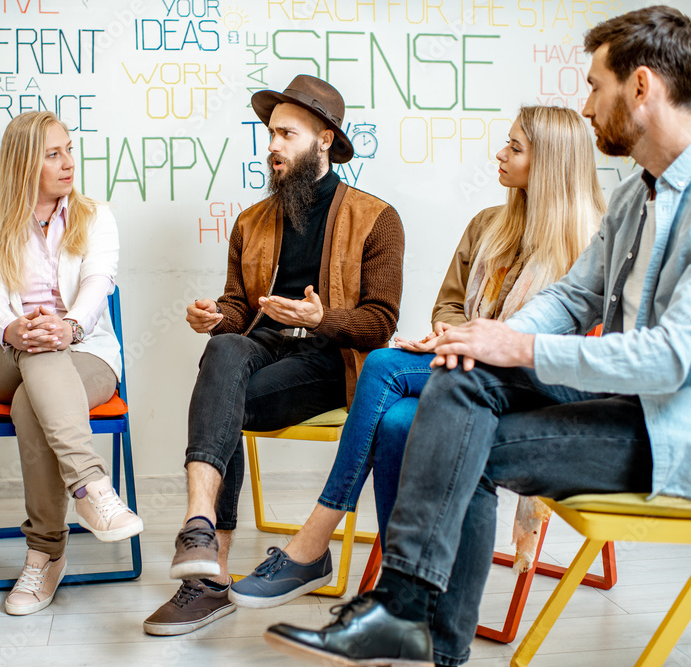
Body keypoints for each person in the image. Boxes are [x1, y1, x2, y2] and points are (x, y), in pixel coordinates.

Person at [264, 6, 691, 667]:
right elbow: (574, 296)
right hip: (623, 408)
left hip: (680, 432)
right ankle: (418, 623)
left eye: (595, 85)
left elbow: (670, 359)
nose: (586, 103)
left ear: (640, 87)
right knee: (461, 384)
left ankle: (419, 623)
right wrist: (488, 336)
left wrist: (518, 348)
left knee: (467, 429)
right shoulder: (641, 193)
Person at [230, 105, 605, 609]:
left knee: (383, 365)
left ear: (552, 163)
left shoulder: (590, 242)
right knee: (396, 421)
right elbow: (449, 301)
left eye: (514, 148)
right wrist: (451, 333)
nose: (499, 153)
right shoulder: (487, 225)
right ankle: (401, 595)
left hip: (529, 384)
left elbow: (570, 341)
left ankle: (314, 542)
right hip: (464, 367)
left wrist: (469, 339)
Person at [144, 75, 405, 636]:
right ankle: (200, 529)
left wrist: (321, 318)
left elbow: (381, 321)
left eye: (286, 134)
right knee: (223, 348)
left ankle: (205, 574)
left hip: (332, 360)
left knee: (221, 394)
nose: (272, 146)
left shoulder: (377, 218)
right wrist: (216, 316)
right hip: (265, 347)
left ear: (326, 140)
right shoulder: (251, 222)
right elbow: (241, 308)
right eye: (269, 134)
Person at [0, 110, 142, 617]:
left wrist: (68, 328)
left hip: (85, 352)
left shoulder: (96, 215)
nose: (69, 162)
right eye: (53, 153)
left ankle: (45, 552)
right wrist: (12, 328)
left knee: (33, 399)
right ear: (26, 163)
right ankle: (90, 487)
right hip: (2, 355)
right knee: (34, 359)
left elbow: (97, 284)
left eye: (69, 148)